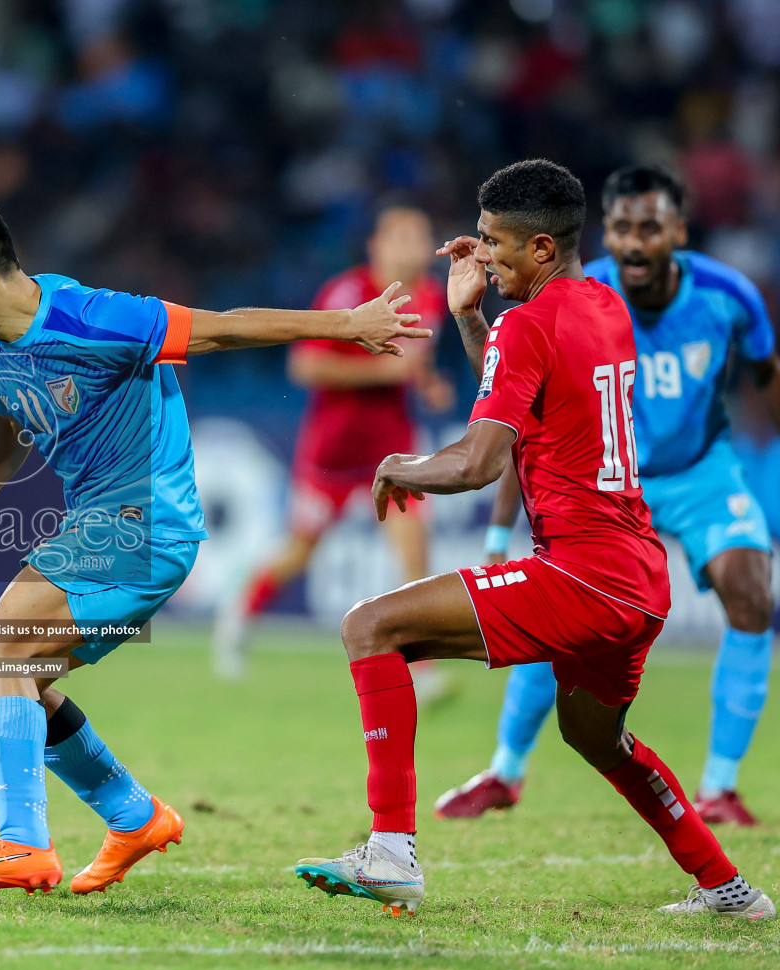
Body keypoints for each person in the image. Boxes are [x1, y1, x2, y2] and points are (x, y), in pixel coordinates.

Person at [0, 191, 430, 899]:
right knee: (2, 676)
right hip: (103, 524)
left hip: (143, 525)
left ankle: (23, 845)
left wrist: (346, 324)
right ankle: (133, 816)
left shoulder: (95, 318)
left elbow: (222, 329)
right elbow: (5, 414)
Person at [291, 159, 772, 920]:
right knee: (596, 735)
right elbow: (520, 378)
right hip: (639, 581)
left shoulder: (531, 321)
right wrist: (468, 318)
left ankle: (390, 850)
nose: (481, 256)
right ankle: (728, 887)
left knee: (370, 626)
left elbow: (480, 460)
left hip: (583, 574)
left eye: (493, 243)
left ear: (541, 248)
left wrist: (403, 466)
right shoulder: (604, 305)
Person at [435, 165, 779, 826]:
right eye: (620, 228)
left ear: (678, 230)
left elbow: (767, 374)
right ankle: (504, 772)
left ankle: (720, 788)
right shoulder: (581, 296)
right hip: (606, 481)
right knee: (560, 610)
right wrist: (498, 536)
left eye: (650, 228)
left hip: (701, 469)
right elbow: (516, 413)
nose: (634, 244)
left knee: (752, 590)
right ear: (605, 234)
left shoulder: (728, 296)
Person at [213, 203, 453, 691]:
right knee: (301, 552)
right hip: (334, 451)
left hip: (392, 446)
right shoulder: (348, 294)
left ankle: (422, 671)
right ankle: (239, 610)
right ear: (376, 246)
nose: (413, 248)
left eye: (419, 237)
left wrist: (425, 381)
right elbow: (304, 367)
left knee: (413, 547)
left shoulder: (430, 294)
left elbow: (408, 361)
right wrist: (380, 374)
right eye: (401, 236)